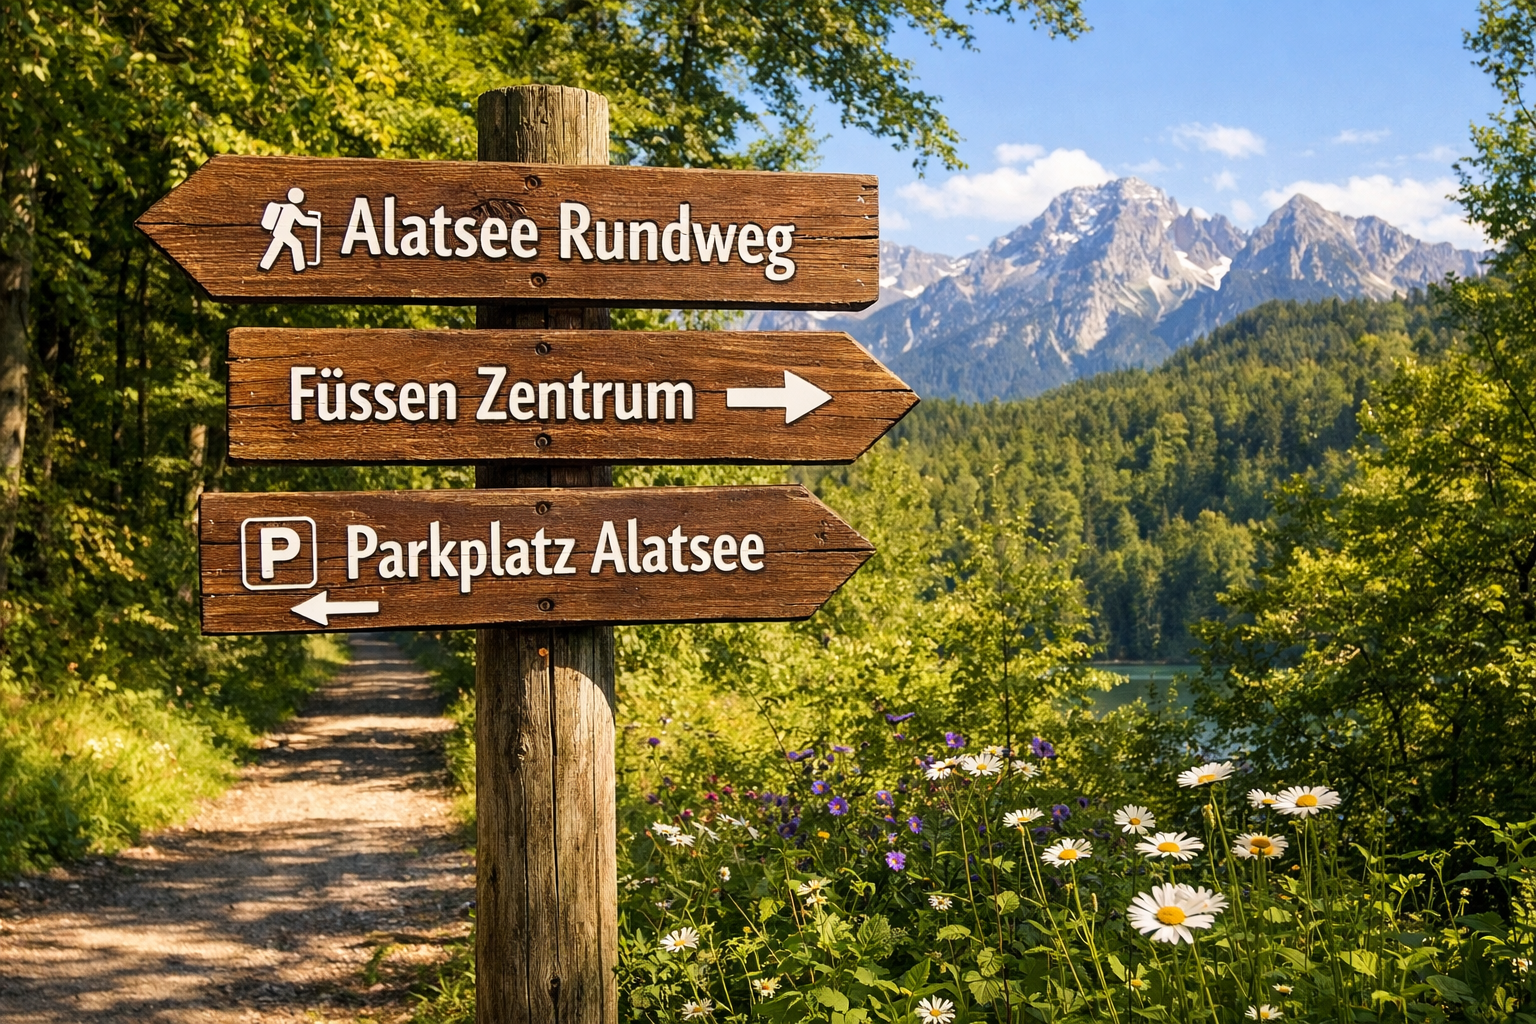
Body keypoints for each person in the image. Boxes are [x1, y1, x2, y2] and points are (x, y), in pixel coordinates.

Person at [260, 187, 323, 272]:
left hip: (278, 232)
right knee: (296, 244)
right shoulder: (292, 208)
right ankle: (299, 267)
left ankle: (264, 265)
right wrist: (316, 222)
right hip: (283, 232)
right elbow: (302, 221)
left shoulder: (285, 206)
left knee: (275, 247)